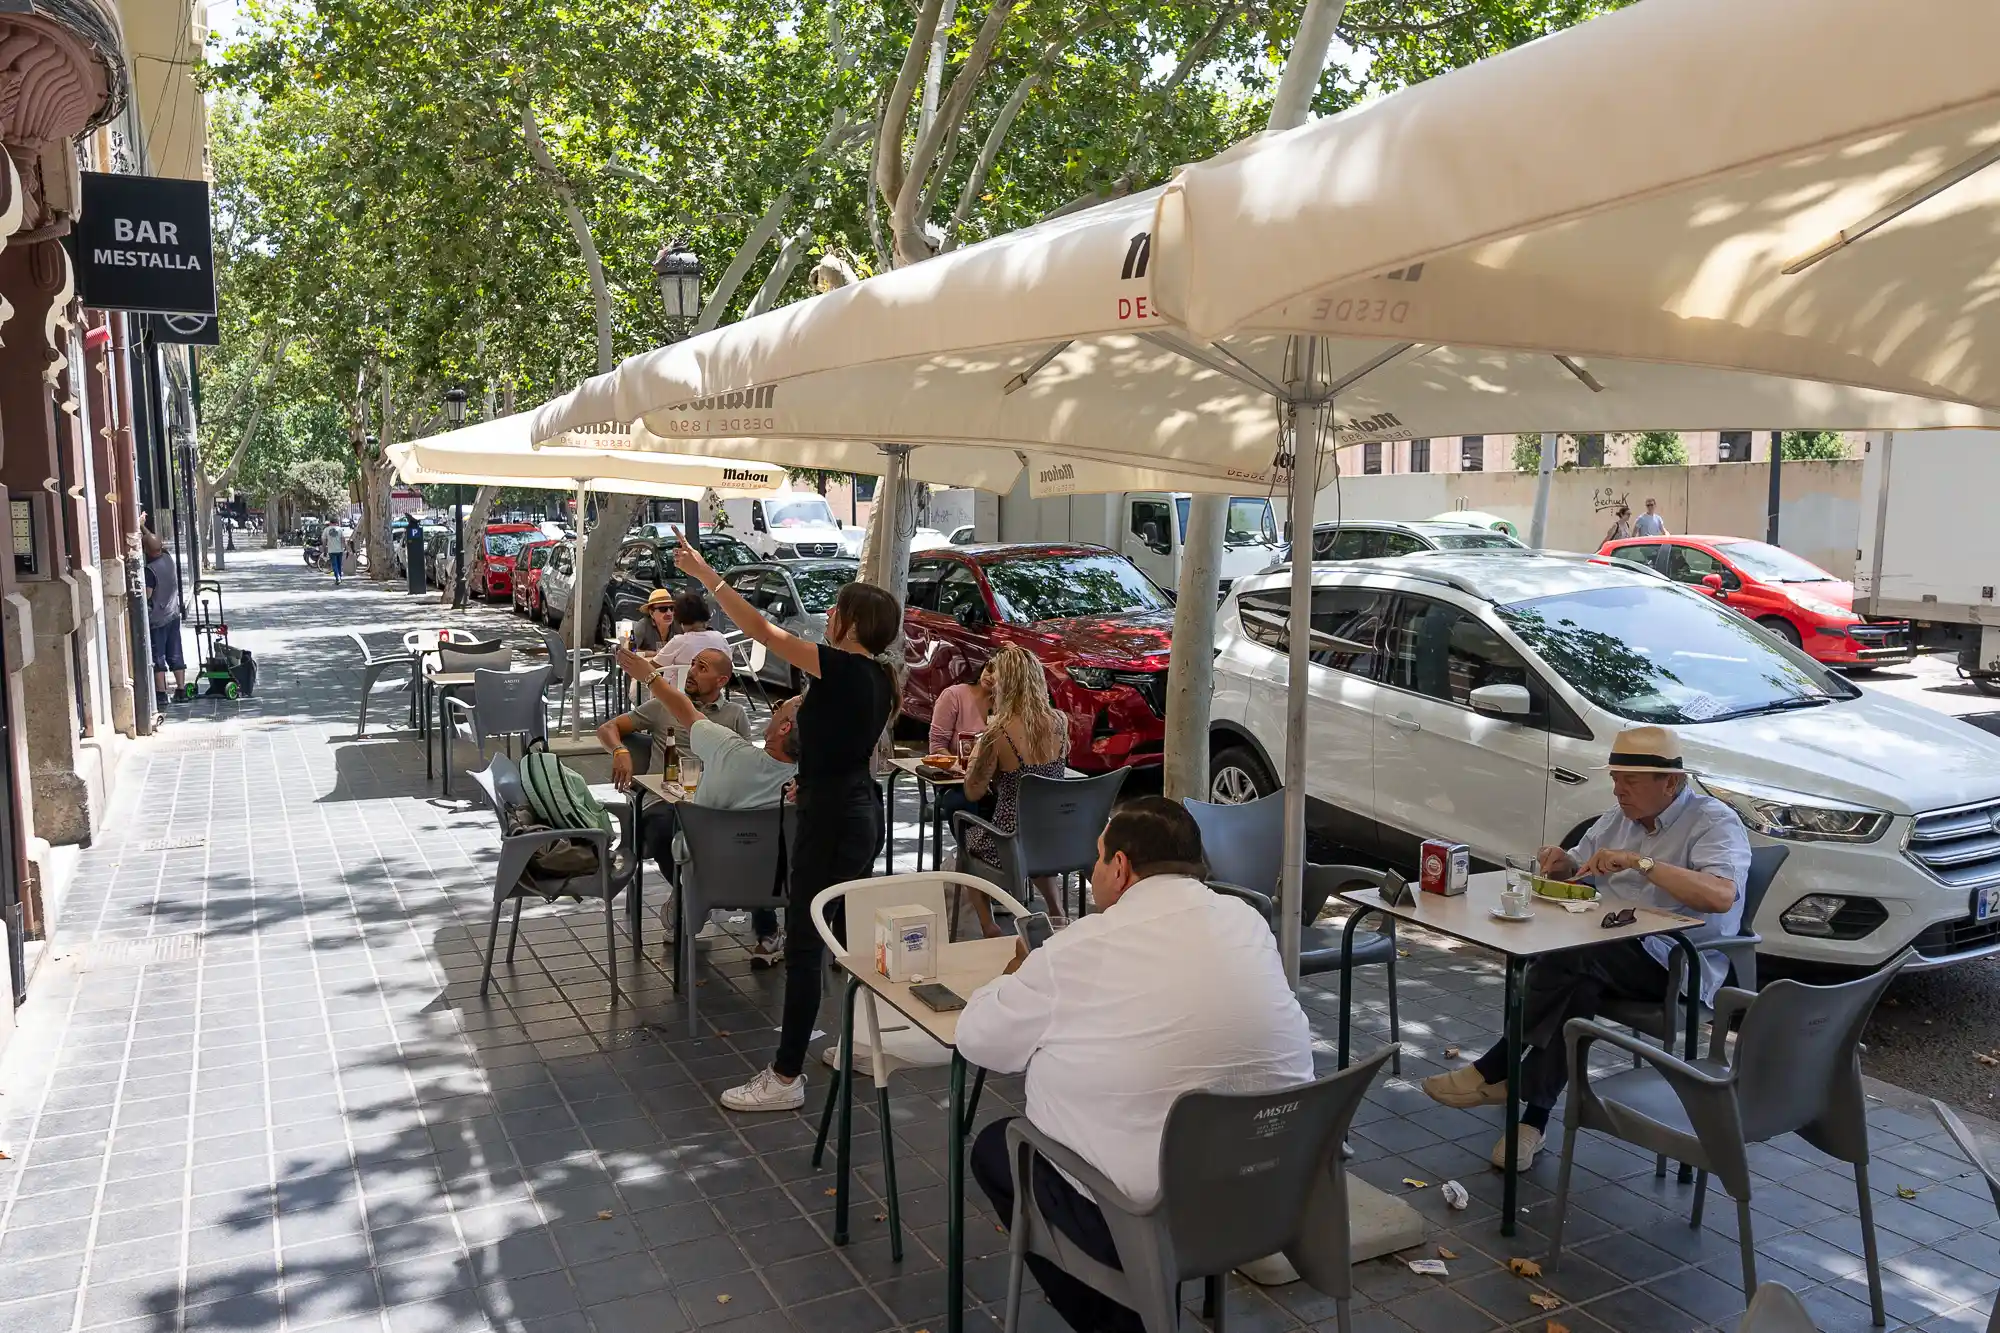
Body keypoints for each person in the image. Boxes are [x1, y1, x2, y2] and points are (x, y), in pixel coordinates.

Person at [959, 797, 1314, 1333]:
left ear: (1120, 867)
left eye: (1099, 859)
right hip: (1273, 1196)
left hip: (1149, 1218)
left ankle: (1125, 1318)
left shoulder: (1079, 946)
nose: (1094, 870)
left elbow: (978, 1040)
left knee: (995, 1148)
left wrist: (1013, 978)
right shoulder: (1247, 921)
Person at [1421, 726, 1748, 1169]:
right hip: (1609, 953)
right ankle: (1531, 1120)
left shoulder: (1713, 821)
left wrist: (1642, 863)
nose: (1618, 790)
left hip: (1677, 962)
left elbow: (1721, 895)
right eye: (1615, 778)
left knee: (1576, 953)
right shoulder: (1618, 818)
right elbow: (1580, 869)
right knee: (1578, 977)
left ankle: (1498, 1067)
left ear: (1670, 783)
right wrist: (1563, 864)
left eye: (1629, 781)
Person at [668, 531, 900, 1113]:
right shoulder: (877, 678)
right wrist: (811, 775)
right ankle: (858, 1043)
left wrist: (709, 577)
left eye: (836, 609)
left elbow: (762, 632)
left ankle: (786, 1074)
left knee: (804, 944)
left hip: (831, 819)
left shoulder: (844, 667)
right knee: (842, 937)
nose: (827, 615)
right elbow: (841, 749)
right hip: (854, 808)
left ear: (852, 624)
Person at [608, 645, 798, 965]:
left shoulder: (726, 748)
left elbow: (683, 709)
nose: (774, 708)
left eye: (780, 706)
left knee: (683, 832)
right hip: (777, 885)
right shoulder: (812, 783)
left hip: (707, 875)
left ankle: (688, 899)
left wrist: (650, 675)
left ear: (784, 727)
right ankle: (769, 933)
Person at [957, 647, 1069, 935]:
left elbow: (973, 791)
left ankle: (988, 925)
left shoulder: (998, 733)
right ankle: (1057, 911)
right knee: (1033, 835)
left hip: (1010, 840)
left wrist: (976, 757)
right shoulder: (1060, 722)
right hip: (1055, 836)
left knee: (966, 844)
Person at [141, 530, 185, 712]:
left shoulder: (150, 570)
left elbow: (147, 595)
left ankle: (161, 692)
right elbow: (156, 544)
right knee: (175, 652)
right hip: (173, 614)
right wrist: (143, 528)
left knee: (158, 656)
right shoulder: (168, 559)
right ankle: (181, 689)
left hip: (157, 619)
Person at [655, 589, 733, 671]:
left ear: (679, 618)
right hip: (714, 683)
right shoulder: (719, 637)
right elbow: (728, 662)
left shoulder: (679, 641)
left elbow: (652, 667)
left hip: (679, 684)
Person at [928, 666, 992, 756]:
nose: (991, 676)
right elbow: (937, 747)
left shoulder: (1010, 705)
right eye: (990, 669)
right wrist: (958, 769)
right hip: (954, 769)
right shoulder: (953, 695)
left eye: (1001, 673)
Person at [630, 588, 675, 652]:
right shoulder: (643, 626)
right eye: (663, 609)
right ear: (651, 613)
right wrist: (654, 654)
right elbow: (630, 650)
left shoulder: (678, 625)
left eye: (671, 608)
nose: (669, 613)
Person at [324, 521, 348, 585]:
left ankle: (338, 577)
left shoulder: (326, 529)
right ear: (336, 523)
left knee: (334, 565)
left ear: (330, 523)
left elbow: (324, 540)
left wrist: (324, 549)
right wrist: (345, 547)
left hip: (331, 550)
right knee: (339, 564)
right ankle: (339, 577)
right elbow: (343, 539)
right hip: (339, 550)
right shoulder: (339, 529)